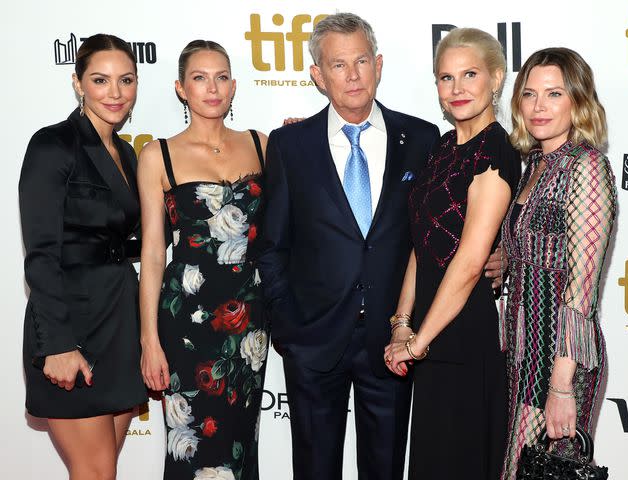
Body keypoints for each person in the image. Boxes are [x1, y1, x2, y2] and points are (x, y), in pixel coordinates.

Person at [258, 12, 441, 479]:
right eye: (338, 65)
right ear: (318, 76)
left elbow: (436, 235)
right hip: (313, 339)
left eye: (361, 60)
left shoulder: (422, 139)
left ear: (378, 64)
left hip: (393, 338)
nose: (353, 75)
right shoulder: (289, 144)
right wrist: (289, 324)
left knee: (385, 468)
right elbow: (273, 244)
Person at [384, 28, 521, 479]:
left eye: (469, 74)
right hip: (429, 331)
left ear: (496, 78)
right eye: (446, 78)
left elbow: (469, 261)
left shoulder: (496, 150)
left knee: (456, 462)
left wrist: (419, 343)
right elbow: (420, 245)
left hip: (462, 334)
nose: (457, 88)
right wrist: (402, 324)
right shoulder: (442, 147)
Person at [137, 40, 268, 480]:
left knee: (240, 438)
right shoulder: (158, 155)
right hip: (185, 318)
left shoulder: (262, 145)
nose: (212, 88)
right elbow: (154, 253)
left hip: (248, 319)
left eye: (222, 76)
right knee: (190, 440)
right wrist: (149, 340)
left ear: (234, 86)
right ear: (180, 88)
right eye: (199, 77)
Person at [19, 34, 146, 478]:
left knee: (102, 470)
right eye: (100, 80)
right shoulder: (53, 145)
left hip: (119, 322)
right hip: (71, 324)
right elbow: (40, 254)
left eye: (126, 80)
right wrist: (56, 345)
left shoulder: (127, 155)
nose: (115, 93)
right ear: (78, 84)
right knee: (94, 472)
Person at [498, 48, 616, 480]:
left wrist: (561, 386)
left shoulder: (585, 166)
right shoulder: (535, 164)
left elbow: (581, 290)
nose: (539, 106)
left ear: (578, 101)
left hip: (561, 359)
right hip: (524, 353)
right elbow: (534, 255)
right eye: (529, 94)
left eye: (554, 93)